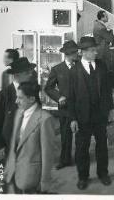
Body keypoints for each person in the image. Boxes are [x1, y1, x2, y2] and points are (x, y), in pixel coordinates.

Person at [68, 36, 114, 190]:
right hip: (82, 117)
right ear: (83, 52)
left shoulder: (101, 65)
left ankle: (103, 173)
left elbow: (108, 90)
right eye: (93, 50)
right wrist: (73, 118)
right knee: (82, 148)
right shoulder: (74, 71)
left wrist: (110, 111)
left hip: (100, 114)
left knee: (102, 146)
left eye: (95, 50)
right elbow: (70, 97)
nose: (96, 52)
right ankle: (83, 177)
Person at [5, 81, 58, 194]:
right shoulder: (19, 113)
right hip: (14, 172)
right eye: (16, 97)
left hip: (31, 177)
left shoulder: (45, 119)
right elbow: (15, 145)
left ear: (31, 99)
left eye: (20, 98)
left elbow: (47, 155)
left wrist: (44, 182)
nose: (16, 101)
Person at [0, 57, 37, 156]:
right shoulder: (4, 95)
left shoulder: (31, 90)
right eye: (27, 73)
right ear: (17, 75)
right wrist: (0, 145)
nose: (31, 74)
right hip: (11, 142)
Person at [44, 40, 78, 170]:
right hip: (65, 107)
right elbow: (49, 88)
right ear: (69, 54)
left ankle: (81, 157)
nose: (77, 54)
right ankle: (65, 160)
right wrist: (59, 97)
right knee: (65, 134)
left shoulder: (81, 66)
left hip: (80, 105)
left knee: (82, 134)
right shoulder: (57, 69)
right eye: (75, 52)